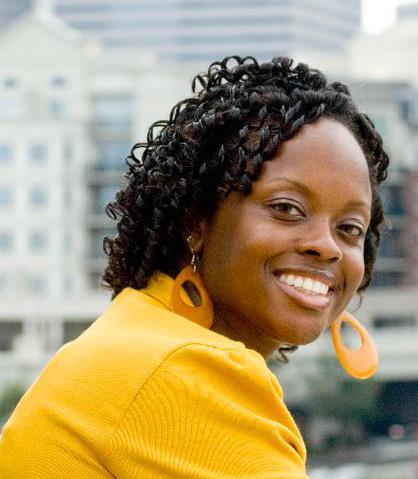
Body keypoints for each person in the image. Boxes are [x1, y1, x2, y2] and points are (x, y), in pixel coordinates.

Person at [0, 56, 389, 478]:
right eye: (286, 208)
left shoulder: (138, 337)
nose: (326, 246)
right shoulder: (182, 369)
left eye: (350, 228)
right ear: (196, 220)